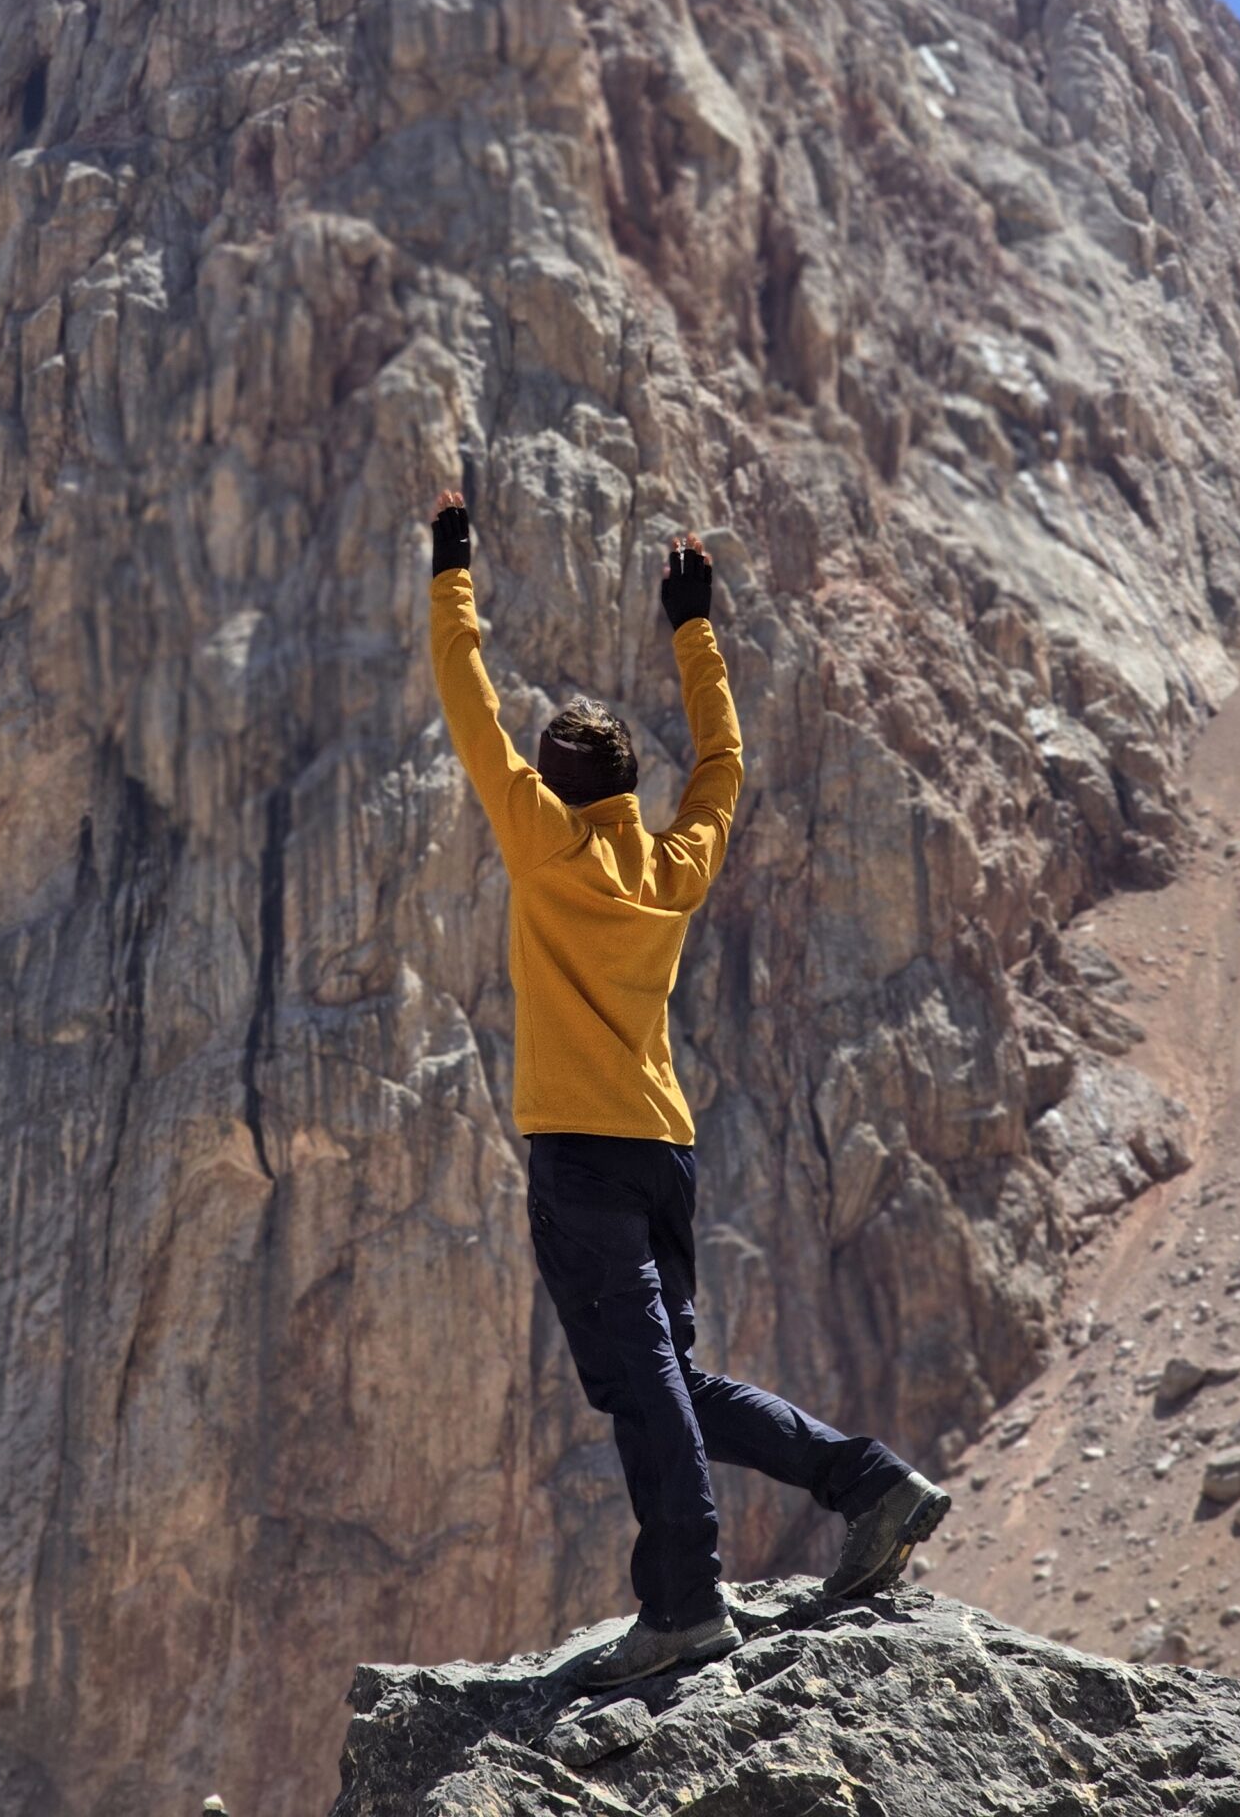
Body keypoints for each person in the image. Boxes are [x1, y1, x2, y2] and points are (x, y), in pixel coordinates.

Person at [426, 488, 949, 1685]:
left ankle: (684, 1597)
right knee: (667, 1377)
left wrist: (453, 559)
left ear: (551, 788)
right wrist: (692, 621)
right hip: (663, 1151)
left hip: (578, 1150)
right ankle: (871, 1482)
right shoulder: (670, 863)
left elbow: (467, 692)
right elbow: (724, 757)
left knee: (646, 1380)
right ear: (621, 789)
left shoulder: (537, 842)